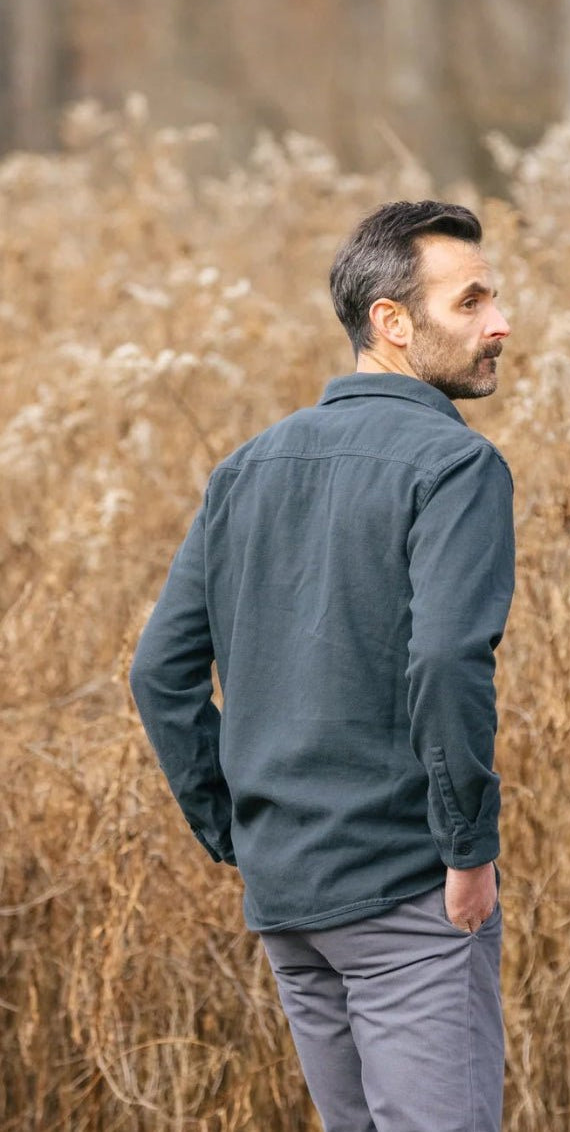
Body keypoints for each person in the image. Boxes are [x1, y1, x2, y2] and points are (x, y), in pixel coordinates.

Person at [129, 200, 515, 1132]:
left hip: (290, 898)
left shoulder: (246, 468)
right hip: (405, 890)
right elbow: (446, 660)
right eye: (471, 302)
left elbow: (159, 673)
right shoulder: (455, 467)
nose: (500, 323)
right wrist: (468, 848)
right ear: (391, 321)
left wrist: (237, 832)